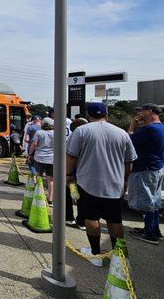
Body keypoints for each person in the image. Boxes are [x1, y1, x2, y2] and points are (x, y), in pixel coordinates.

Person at [66, 103, 137, 267]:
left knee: (91, 218)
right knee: (115, 220)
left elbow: (71, 157)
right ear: (106, 113)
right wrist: (125, 179)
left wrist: (67, 175)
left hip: (88, 182)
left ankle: (96, 254)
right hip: (114, 183)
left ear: (88, 114)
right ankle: (120, 256)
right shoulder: (121, 133)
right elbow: (129, 162)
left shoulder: (82, 131)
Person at [127, 103, 164, 244]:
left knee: (147, 201)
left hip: (145, 168)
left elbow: (128, 141)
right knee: (154, 201)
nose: (138, 114)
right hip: (157, 167)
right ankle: (154, 229)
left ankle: (150, 233)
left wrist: (132, 125)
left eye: (141, 111)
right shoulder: (161, 127)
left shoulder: (148, 129)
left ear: (150, 112)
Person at [65, 117, 88, 230]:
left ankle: (69, 217)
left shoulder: (72, 139)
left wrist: (67, 174)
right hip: (82, 175)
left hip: (73, 176)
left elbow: (70, 157)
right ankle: (81, 220)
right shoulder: (88, 138)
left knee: (73, 196)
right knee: (79, 198)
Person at [28, 117, 54, 203]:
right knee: (50, 179)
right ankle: (50, 199)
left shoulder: (39, 132)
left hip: (39, 158)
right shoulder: (55, 133)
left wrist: (30, 154)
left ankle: (38, 194)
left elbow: (34, 144)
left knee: (39, 176)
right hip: (52, 159)